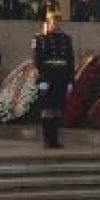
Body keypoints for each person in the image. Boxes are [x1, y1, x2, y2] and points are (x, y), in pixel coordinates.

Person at [33, 11, 75, 148]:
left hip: (61, 75)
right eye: (53, 21)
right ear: (48, 22)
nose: (56, 24)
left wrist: (70, 80)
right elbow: (37, 60)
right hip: (47, 76)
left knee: (57, 109)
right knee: (46, 109)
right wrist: (42, 78)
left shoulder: (66, 39)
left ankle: (55, 140)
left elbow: (70, 60)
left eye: (58, 21)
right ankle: (47, 140)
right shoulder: (40, 38)